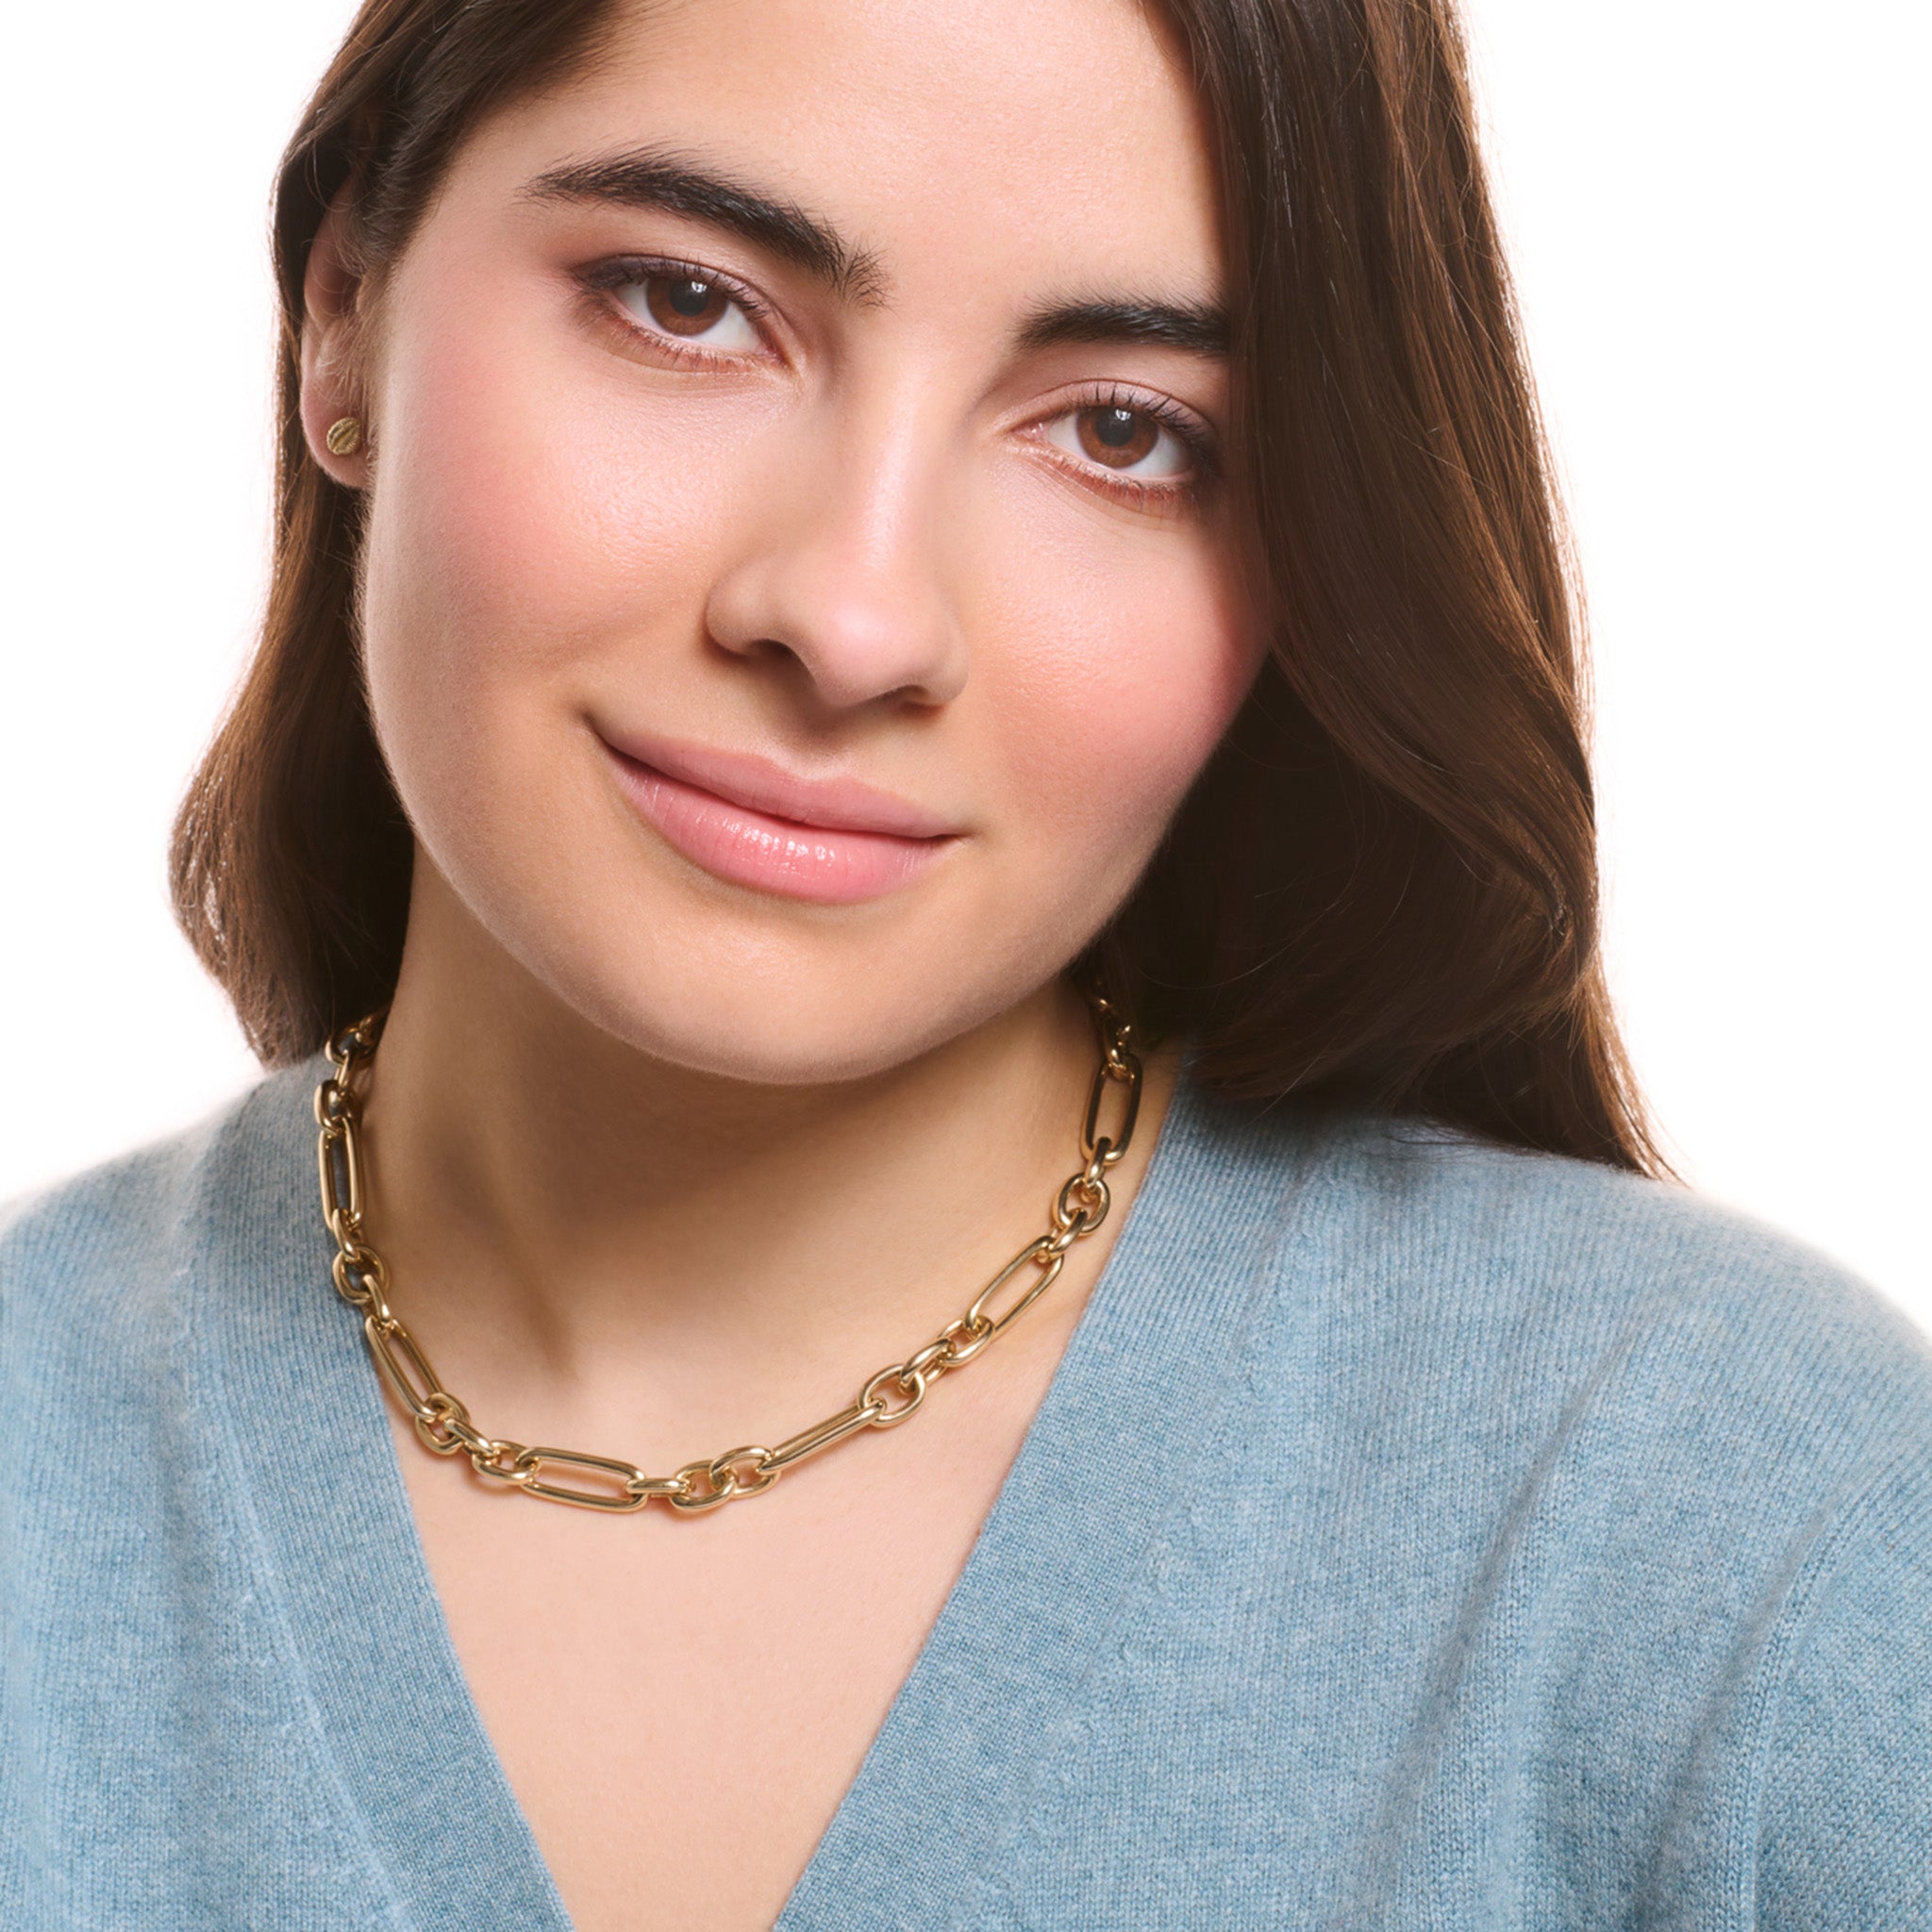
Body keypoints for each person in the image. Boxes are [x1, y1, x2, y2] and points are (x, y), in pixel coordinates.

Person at [4, 0, 1928, 1925]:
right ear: (343, 310)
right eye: (686, 302)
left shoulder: (1743, 1553)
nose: (849, 618)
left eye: (1121, 430)